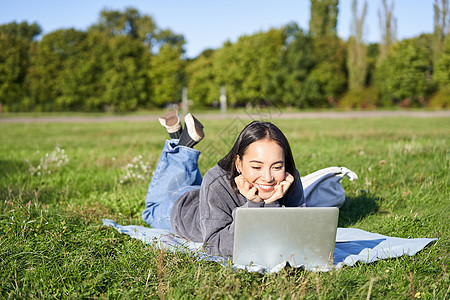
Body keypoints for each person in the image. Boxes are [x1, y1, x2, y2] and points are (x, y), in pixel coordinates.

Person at [142, 111, 305, 258]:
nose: (268, 178)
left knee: (192, 180)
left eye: (277, 167)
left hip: (206, 197)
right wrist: (254, 206)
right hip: (181, 209)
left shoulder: (289, 179)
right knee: (150, 211)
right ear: (239, 164)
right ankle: (182, 144)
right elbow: (214, 246)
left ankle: (179, 137)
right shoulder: (216, 181)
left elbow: (297, 233)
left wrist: (271, 204)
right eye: (256, 167)